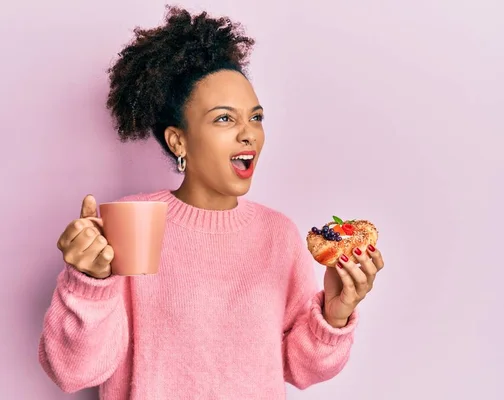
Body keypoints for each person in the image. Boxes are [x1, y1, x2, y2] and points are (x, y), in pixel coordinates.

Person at [38, 6, 385, 399]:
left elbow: (297, 369)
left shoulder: (277, 233)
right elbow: (73, 372)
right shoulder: (130, 223)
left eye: (256, 117)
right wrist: (89, 284)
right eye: (224, 119)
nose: (248, 134)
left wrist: (334, 313)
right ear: (178, 141)